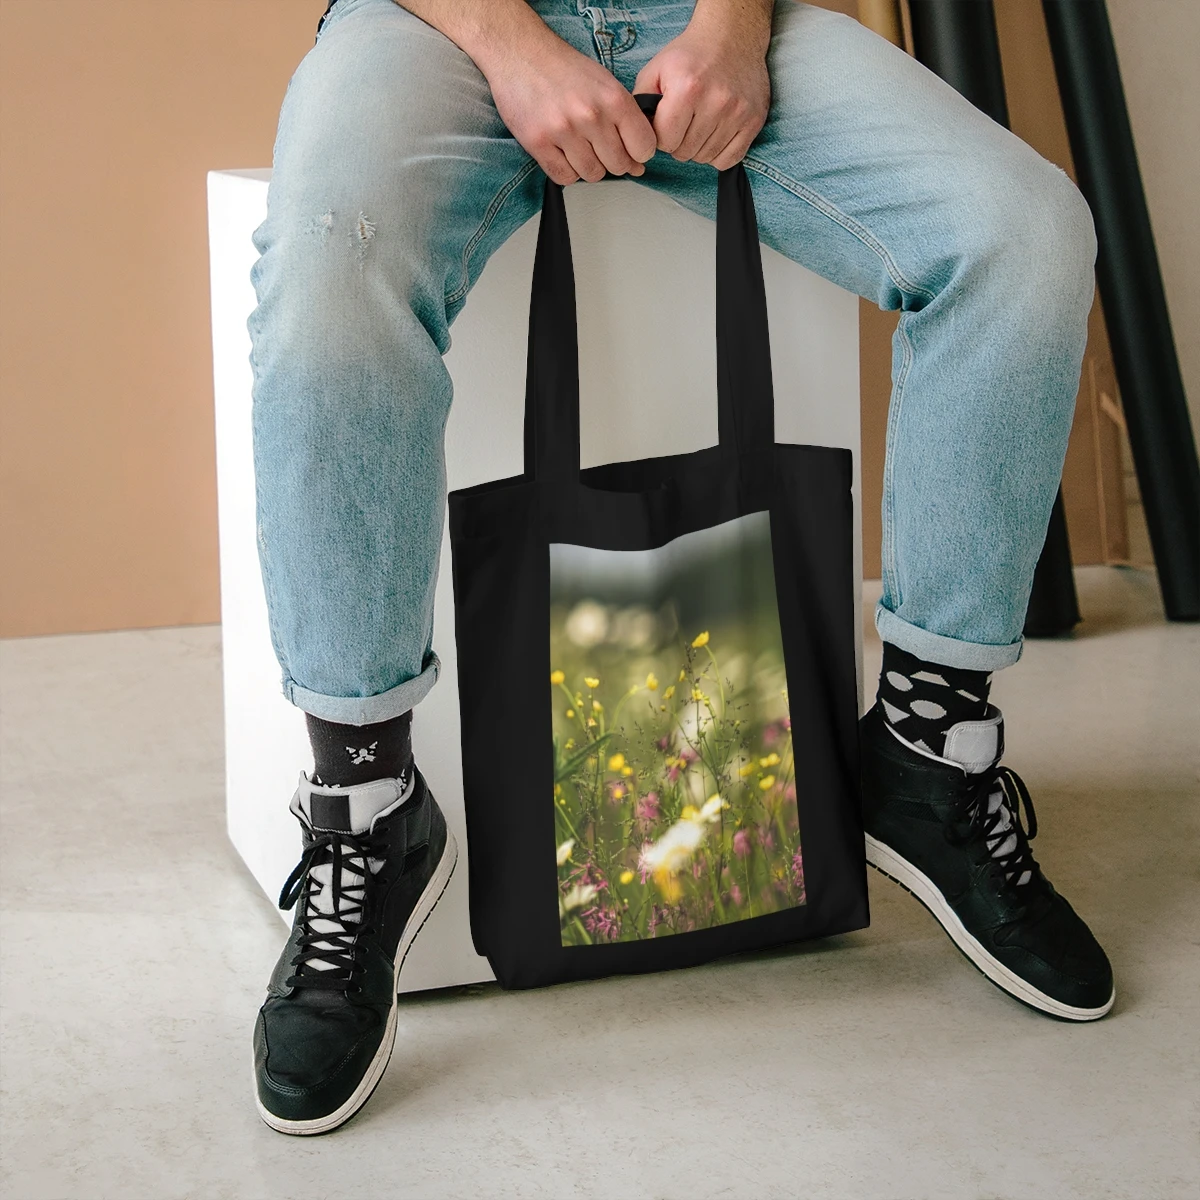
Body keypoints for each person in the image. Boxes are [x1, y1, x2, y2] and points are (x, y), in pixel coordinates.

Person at [247, 0, 1114, 1136]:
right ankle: (364, 812)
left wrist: (735, 27)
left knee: (1026, 233)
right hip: (440, 25)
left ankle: (928, 752)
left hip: (698, 16)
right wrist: (513, 46)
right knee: (328, 277)